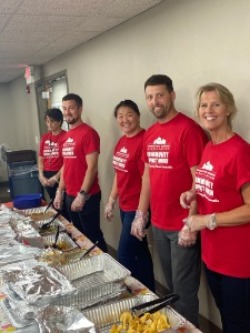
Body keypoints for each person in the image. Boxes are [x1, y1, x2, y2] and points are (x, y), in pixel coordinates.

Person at [131, 74, 207, 326]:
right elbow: (147, 176)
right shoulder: (150, 133)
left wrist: (191, 222)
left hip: (182, 225)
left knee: (184, 294)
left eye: (160, 95)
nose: (155, 102)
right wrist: (141, 214)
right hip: (160, 224)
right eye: (150, 97)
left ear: (172, 95)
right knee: (172, 288)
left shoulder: (189, 130)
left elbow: (200, 180)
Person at [180, 83, 250, 333]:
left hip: (237, 261)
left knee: (238, 324)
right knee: (226, 317)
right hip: (212, 255)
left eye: (216, 104)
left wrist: (208, 220)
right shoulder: (209, 147)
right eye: (203, 105)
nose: (208, 110)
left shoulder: (240, 151)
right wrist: (193, 193)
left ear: (229, 109)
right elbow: (213, 187)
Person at [104, 99, 155, 291]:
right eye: (120, 116)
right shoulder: (122, 141)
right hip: (125, 206)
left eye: (129, 115)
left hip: (137, 207)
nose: (125, 120)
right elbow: (119, 173)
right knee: (140, 252)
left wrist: (141, 214)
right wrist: (111, 200)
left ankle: (134, 294)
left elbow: (147, 179)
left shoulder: (144, 140)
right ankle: (150, 292)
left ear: (138, 116)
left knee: (124, 255)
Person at [53, 93, 107, 252]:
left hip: (87, 196)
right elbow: (66, 166)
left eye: (71, 108)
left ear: (80, 109)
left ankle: (106, 268)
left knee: (92, 237)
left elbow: (92, 167)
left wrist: (82, 195)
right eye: (64, 108)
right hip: (70, 195)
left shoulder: (88, 133)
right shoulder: (66, 136)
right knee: (79, 236)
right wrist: (59, 191)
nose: (67, 112)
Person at [38, 108, 66, 200]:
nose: (49, 124)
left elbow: (68, 161)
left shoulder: (66, 136)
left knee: (62, 202)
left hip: (61, 173)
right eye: (47, 121)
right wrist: (41, 175)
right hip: (46, 174)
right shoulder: (45, 137)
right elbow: (41, 158)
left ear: (59, 122)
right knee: (53, 200)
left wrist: (56, 177)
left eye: (52, 121)